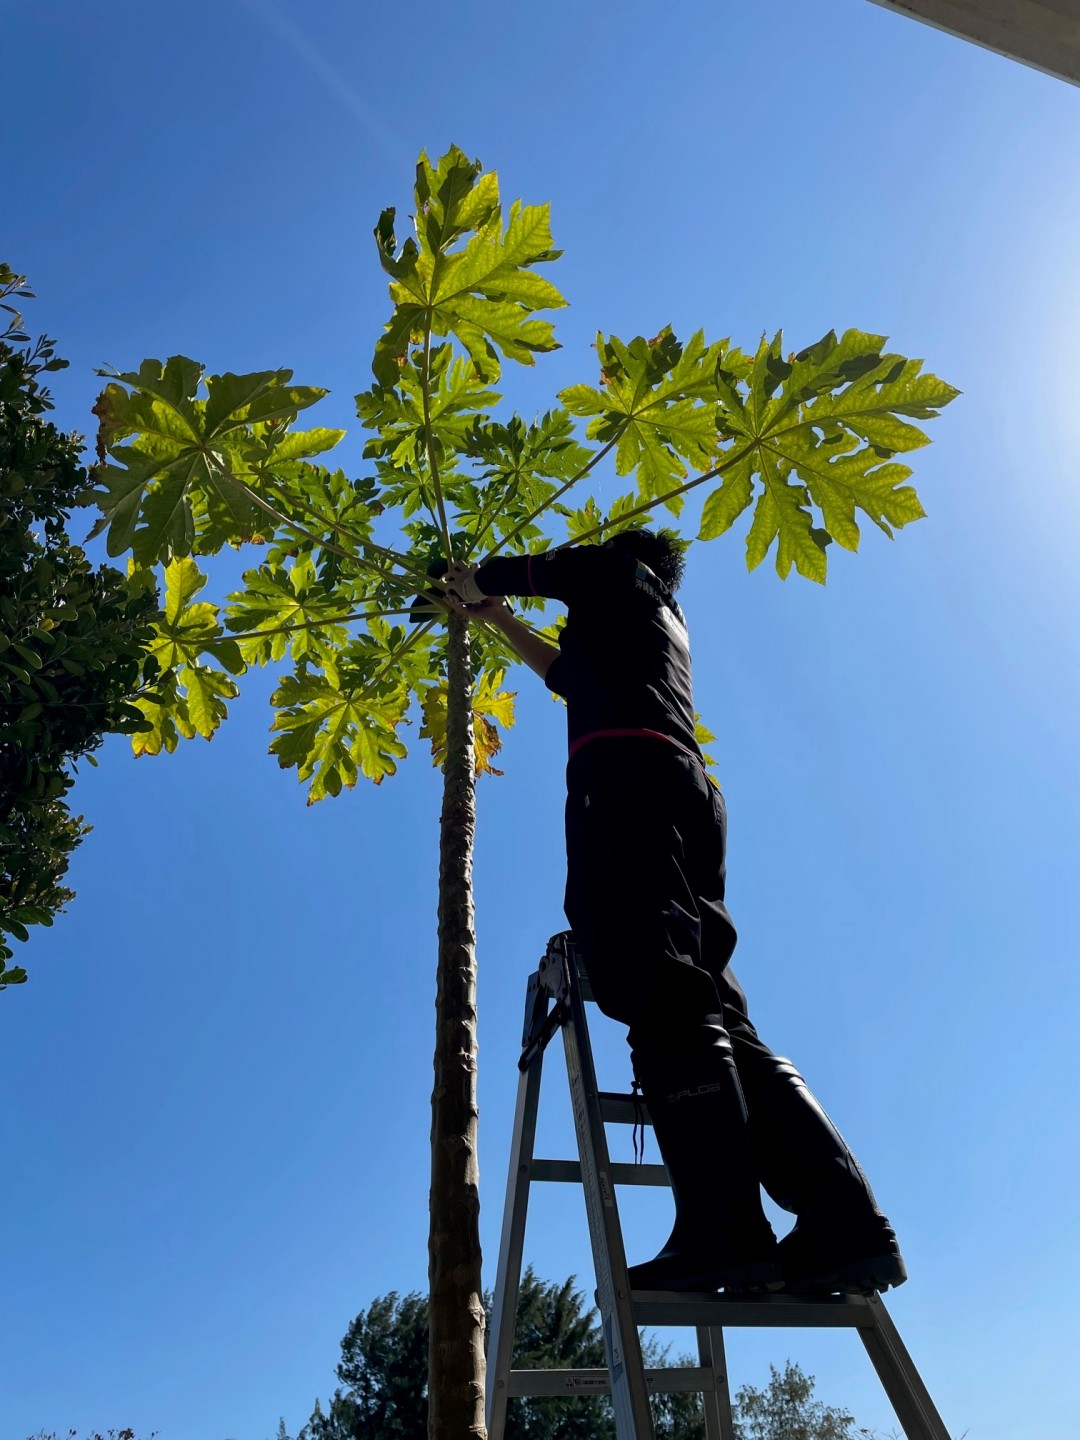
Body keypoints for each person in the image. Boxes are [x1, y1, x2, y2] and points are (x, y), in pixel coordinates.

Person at [444, 531, 906, 1296]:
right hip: (681, 788)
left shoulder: (611, 570)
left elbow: (554, 569)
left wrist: (470, 576)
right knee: (715, 1006)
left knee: (655, 987)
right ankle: (843, 1219)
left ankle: (723, 1232)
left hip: (625, 781)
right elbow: (567, 675)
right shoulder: (653, 621)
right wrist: (493, 618)